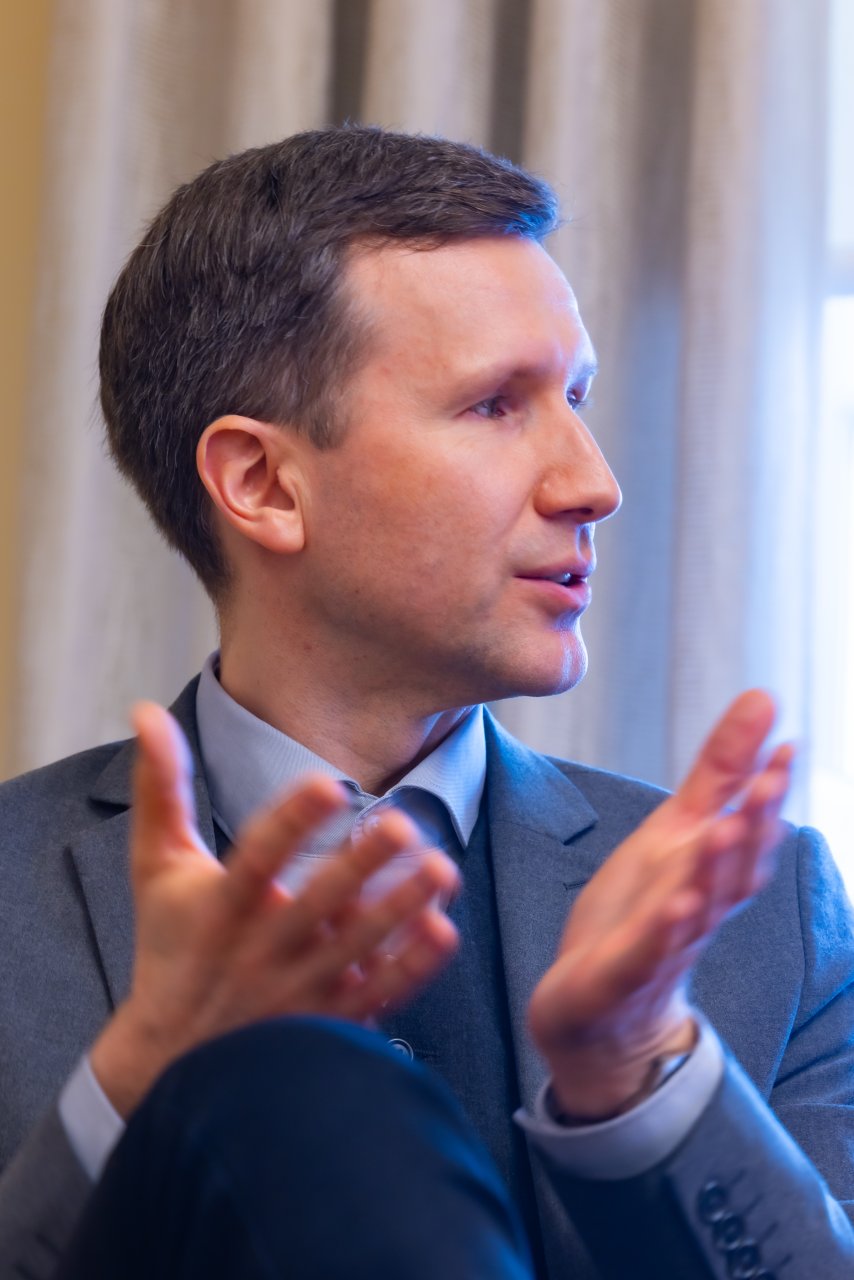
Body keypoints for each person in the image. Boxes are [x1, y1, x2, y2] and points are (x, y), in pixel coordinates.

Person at [0, 124, 852, 1279]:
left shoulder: (770, 918)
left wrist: (638, 1072)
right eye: (495, 405)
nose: (592, 482)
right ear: (261, 482)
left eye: (575, 397)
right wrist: (138, 1076)